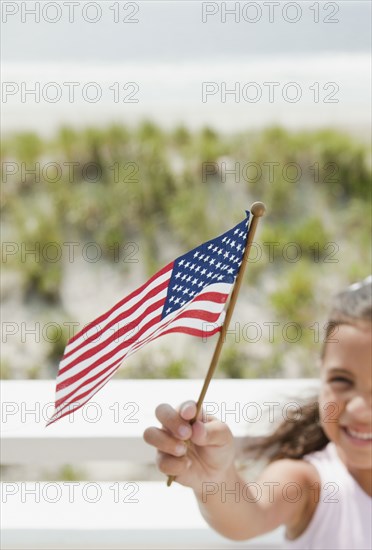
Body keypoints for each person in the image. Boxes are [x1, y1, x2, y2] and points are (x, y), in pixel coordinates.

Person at [143, 276, 372, 549]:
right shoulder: (309, 483)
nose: (360, 409)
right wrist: (216, 481)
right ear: (320, 371)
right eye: (341, 381)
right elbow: (250, 514)